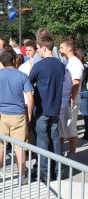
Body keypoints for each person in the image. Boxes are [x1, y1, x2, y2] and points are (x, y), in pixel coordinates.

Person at [0, 50, 34, 185]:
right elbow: (29, 96)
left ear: (1, 62)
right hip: (18, 114)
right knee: (20, 147)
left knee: (0, 146)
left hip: (0, 115)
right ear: (14, 61)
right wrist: (29, 114)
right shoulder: (22, 75)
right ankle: (22, 175)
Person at [29, 35, 65, 181]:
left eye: (38, 48)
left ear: (44, 47)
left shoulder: (39, 65)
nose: (37, 52)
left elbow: (28, 83)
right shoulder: (61, 65)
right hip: (55, 108)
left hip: (42, 108)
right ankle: (57, 170)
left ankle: (44, 172)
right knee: (55, 140)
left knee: (42, 141)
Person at [59, 39, 83, 159]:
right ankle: (61, 154)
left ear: (69, 48)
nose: (60, 49)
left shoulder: (75, 63)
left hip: (71, 100)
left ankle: (72, 156)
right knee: (62, 130)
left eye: (62, 47)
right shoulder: (67, 62)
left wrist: (72, 99)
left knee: (71, 129)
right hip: (65, 101)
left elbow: (76, 82)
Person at [77, 48, 88, 140]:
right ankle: (87, 133)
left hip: (78, 91)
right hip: (85, 90)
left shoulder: (76, 66)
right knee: (85, 114)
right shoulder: (86, 66)